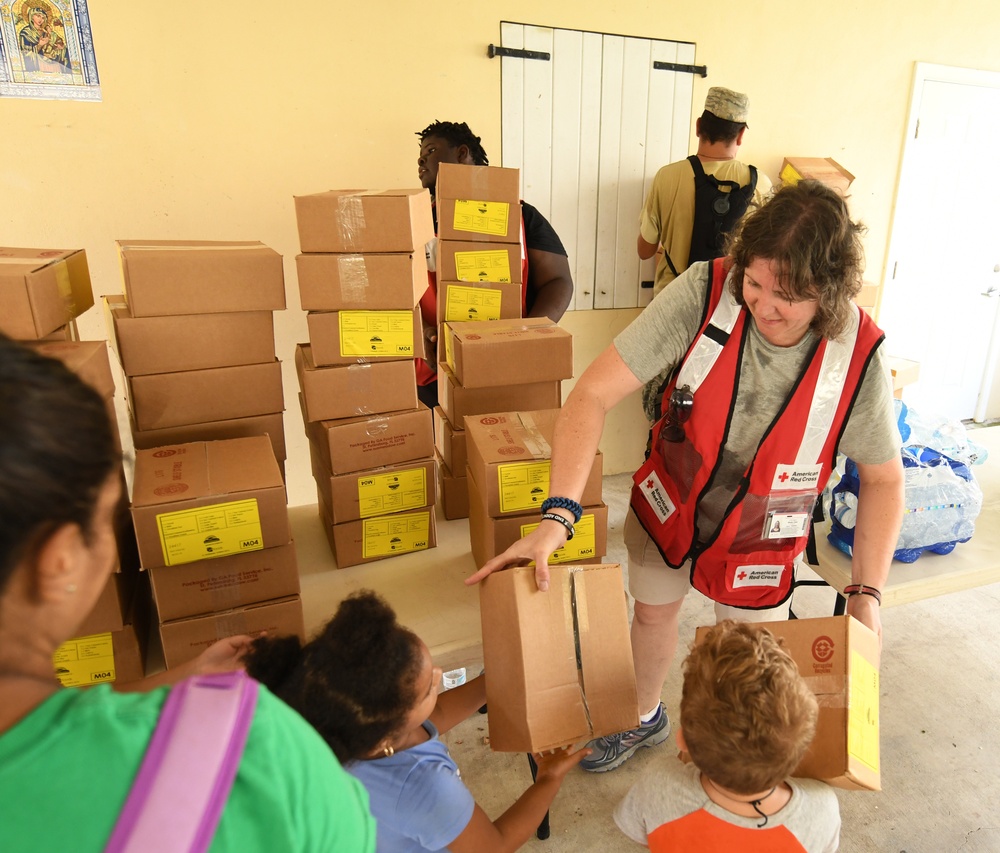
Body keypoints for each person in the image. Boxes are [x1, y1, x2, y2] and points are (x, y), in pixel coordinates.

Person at [468, 181, 904, 773]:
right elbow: (592, 395)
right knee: (650, 612)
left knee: (747, 657)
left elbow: (882, 479)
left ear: (828, 293)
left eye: (788, 297)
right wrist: (558, 515)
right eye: (755, 283)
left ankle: (734, 765)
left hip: (761, 534)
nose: (762, 306)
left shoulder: (858, 355)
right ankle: (643, 716)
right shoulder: (705, 290)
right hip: (669, 499)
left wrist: (866, 593)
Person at [0, 334, 375, 852]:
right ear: (59, 559)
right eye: (108, 520)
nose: (113, 555)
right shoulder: (255, 752)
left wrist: (176, 679)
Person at [244, 589, 589, 852]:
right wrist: (549, 779)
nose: (440, 675)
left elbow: (432, 717)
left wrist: (496, 679)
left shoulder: (327, 721)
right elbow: (493, 846)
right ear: (387, 737)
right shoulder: (425, 788)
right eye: (428, 688)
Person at [614, 621, 841, 851]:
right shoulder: (821, 811)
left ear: (682, 740)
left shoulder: (658, 783)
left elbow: (639, 833)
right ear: (802, 753)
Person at [414, 120, 575, 408]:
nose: (421, 158)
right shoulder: (415, 222)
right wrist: (420, 332)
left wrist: (526, 336)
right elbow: (393, 291)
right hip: (435, 372)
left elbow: (558, 281)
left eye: (431, 149)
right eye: (421, 153)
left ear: (462, 153)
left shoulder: (520, 215)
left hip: (507, 370)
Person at [637, 86, 771, 422]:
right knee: (716, 410)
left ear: (699, 126)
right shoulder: (762, 185)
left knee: (664, 403)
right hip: (732, 317)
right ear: (740, 135)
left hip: (672, 311)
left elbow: (644, 250)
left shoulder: (668, 177)